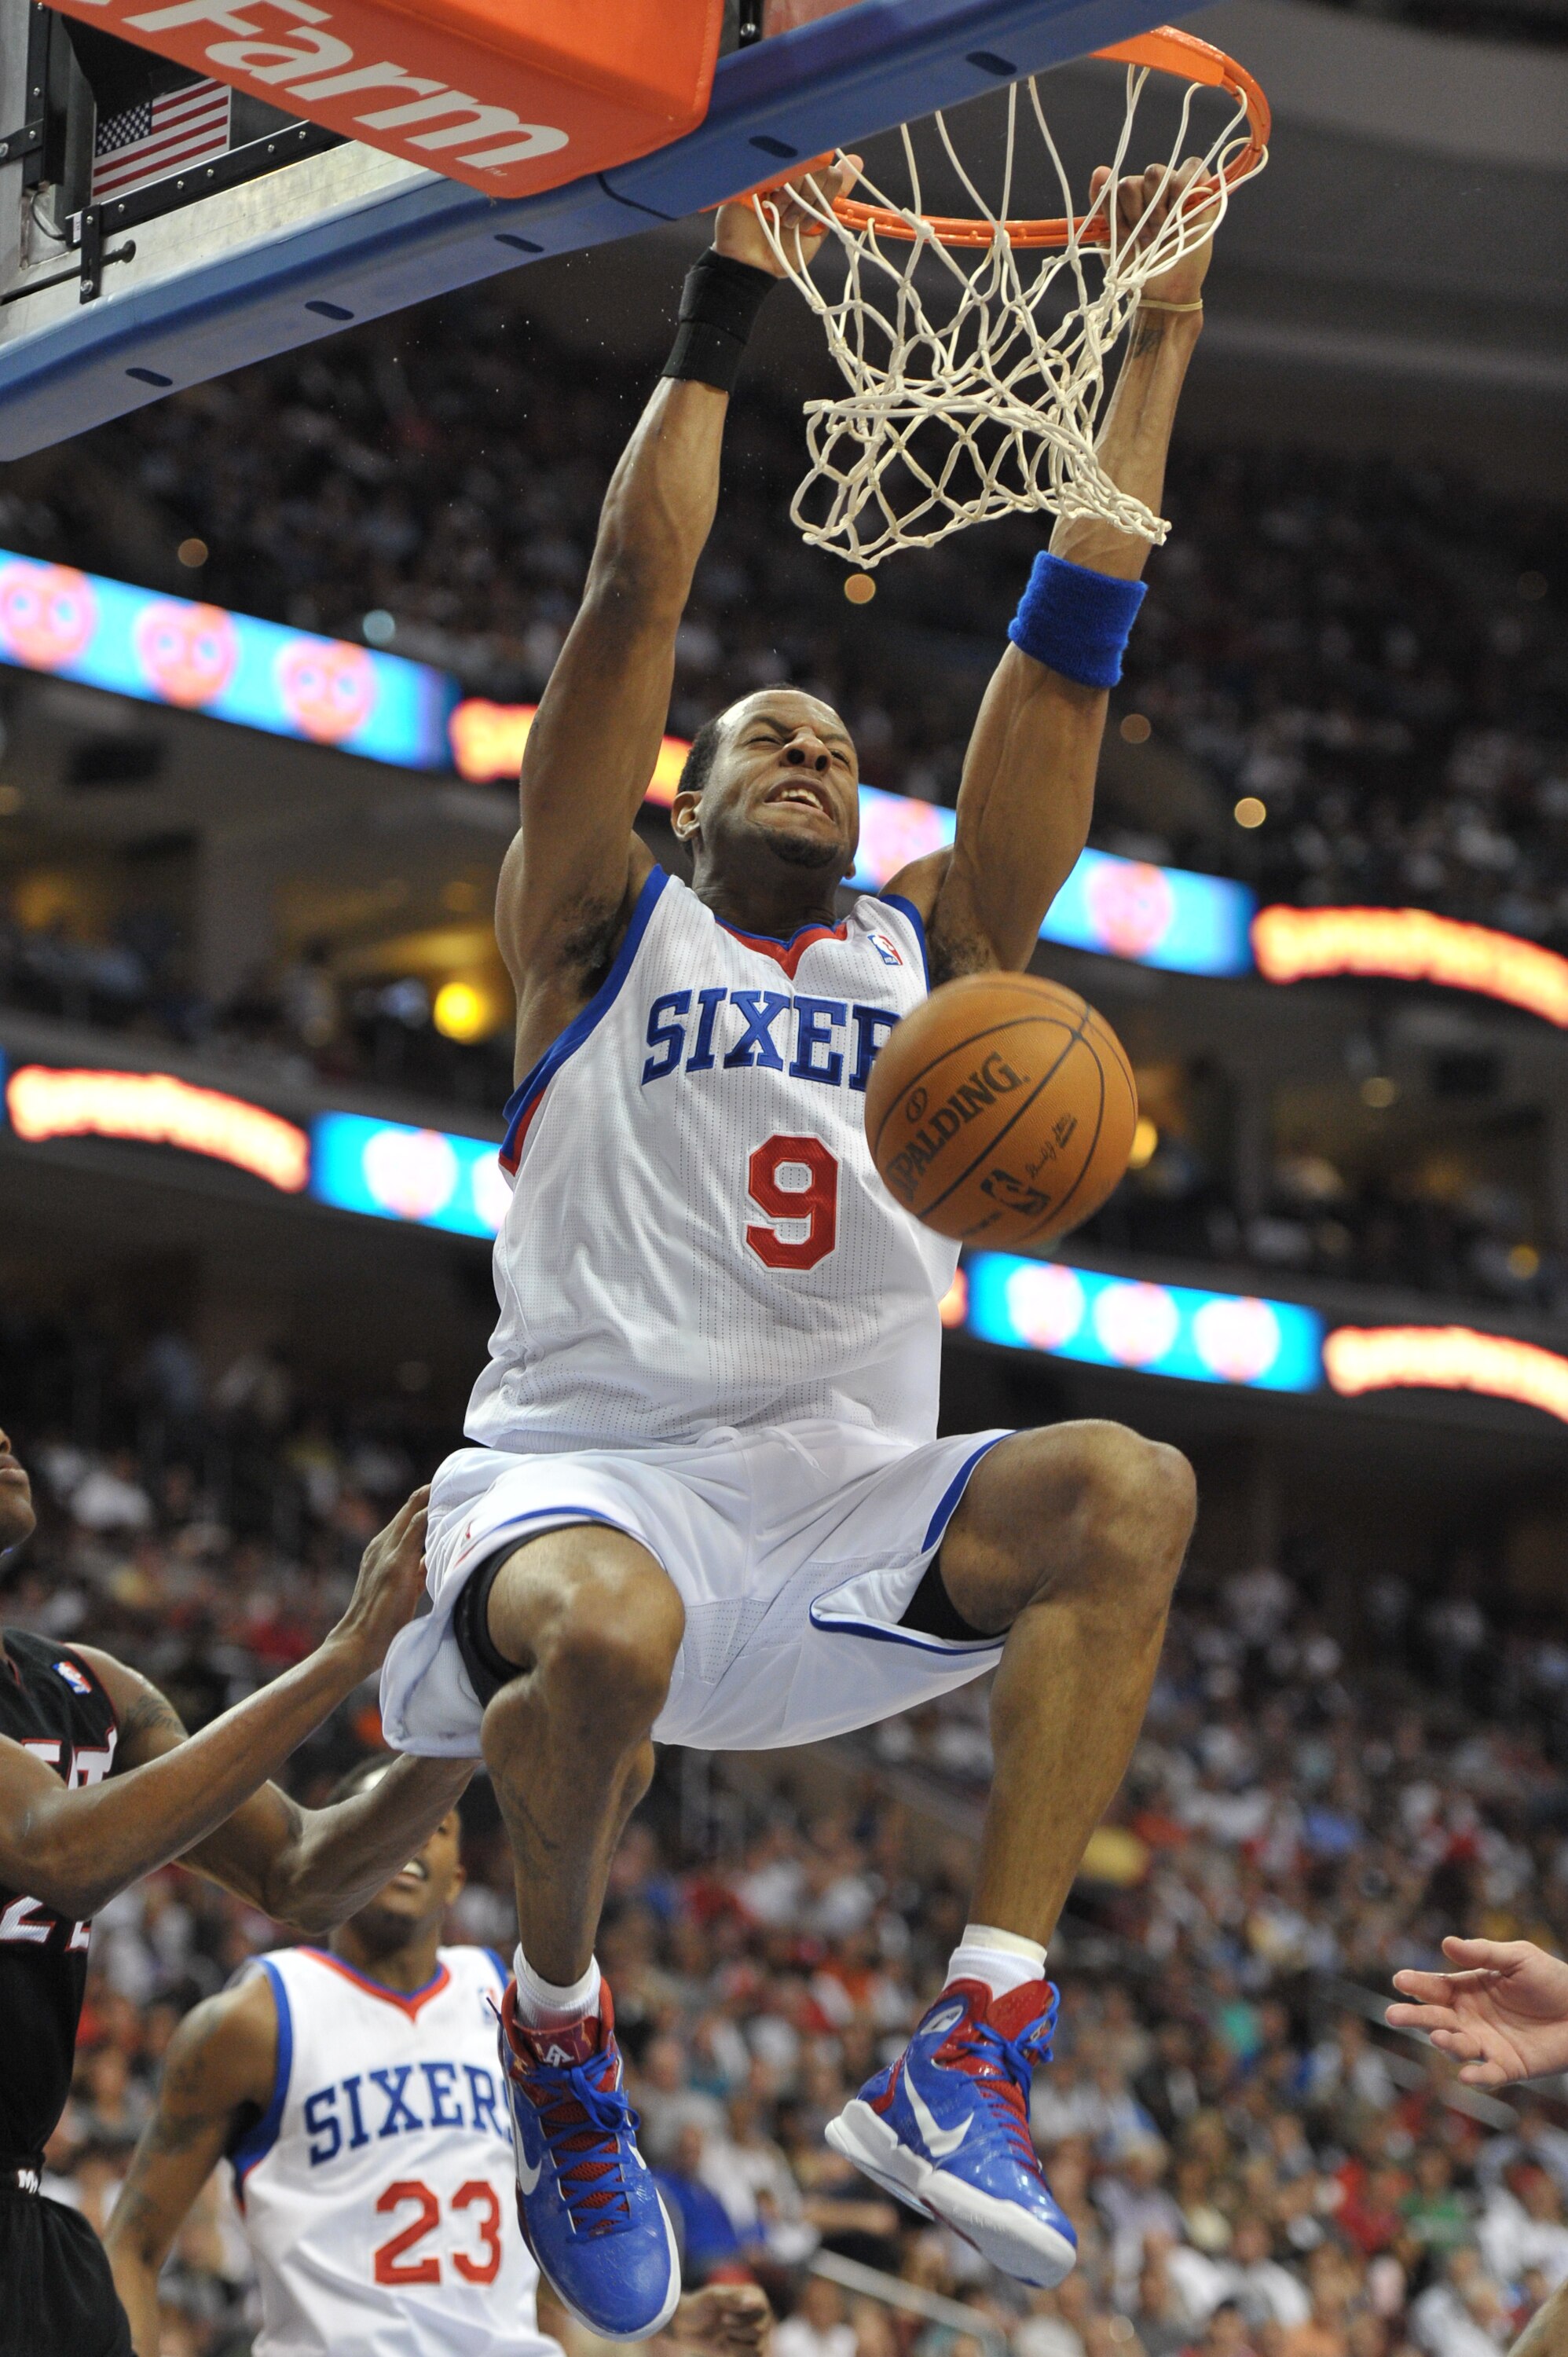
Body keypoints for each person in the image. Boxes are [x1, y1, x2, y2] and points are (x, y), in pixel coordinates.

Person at [379, 145, 1215, 2339]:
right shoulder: (592, 921)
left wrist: (1158, 343)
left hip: (847, 1516)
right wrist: (728, 282)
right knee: (615, 1645)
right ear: (682, 793)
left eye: (841, 746)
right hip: (590, 1481)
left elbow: (1069, 652)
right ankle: (562, 2036)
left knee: (1130, 1488)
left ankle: (973, 2052)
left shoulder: (936, 956)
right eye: (773, 737)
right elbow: (626, 603)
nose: (819, 752)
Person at [0, 1430, 469, 2357]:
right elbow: (56, 1853)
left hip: (27, 2226)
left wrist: (477, 1701)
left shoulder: (87, 1687)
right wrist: (345, 1653)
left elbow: (304, 1871)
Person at [104, 1765, 770, 2357]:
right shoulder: (254, 2018)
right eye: (384, 1815)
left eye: (433, 1823)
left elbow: (538, 2229)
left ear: (456, 1878)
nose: (409, 1835)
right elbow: (131, 2247)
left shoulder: (513, 2004)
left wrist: (658, 2319)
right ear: (331, 1849)